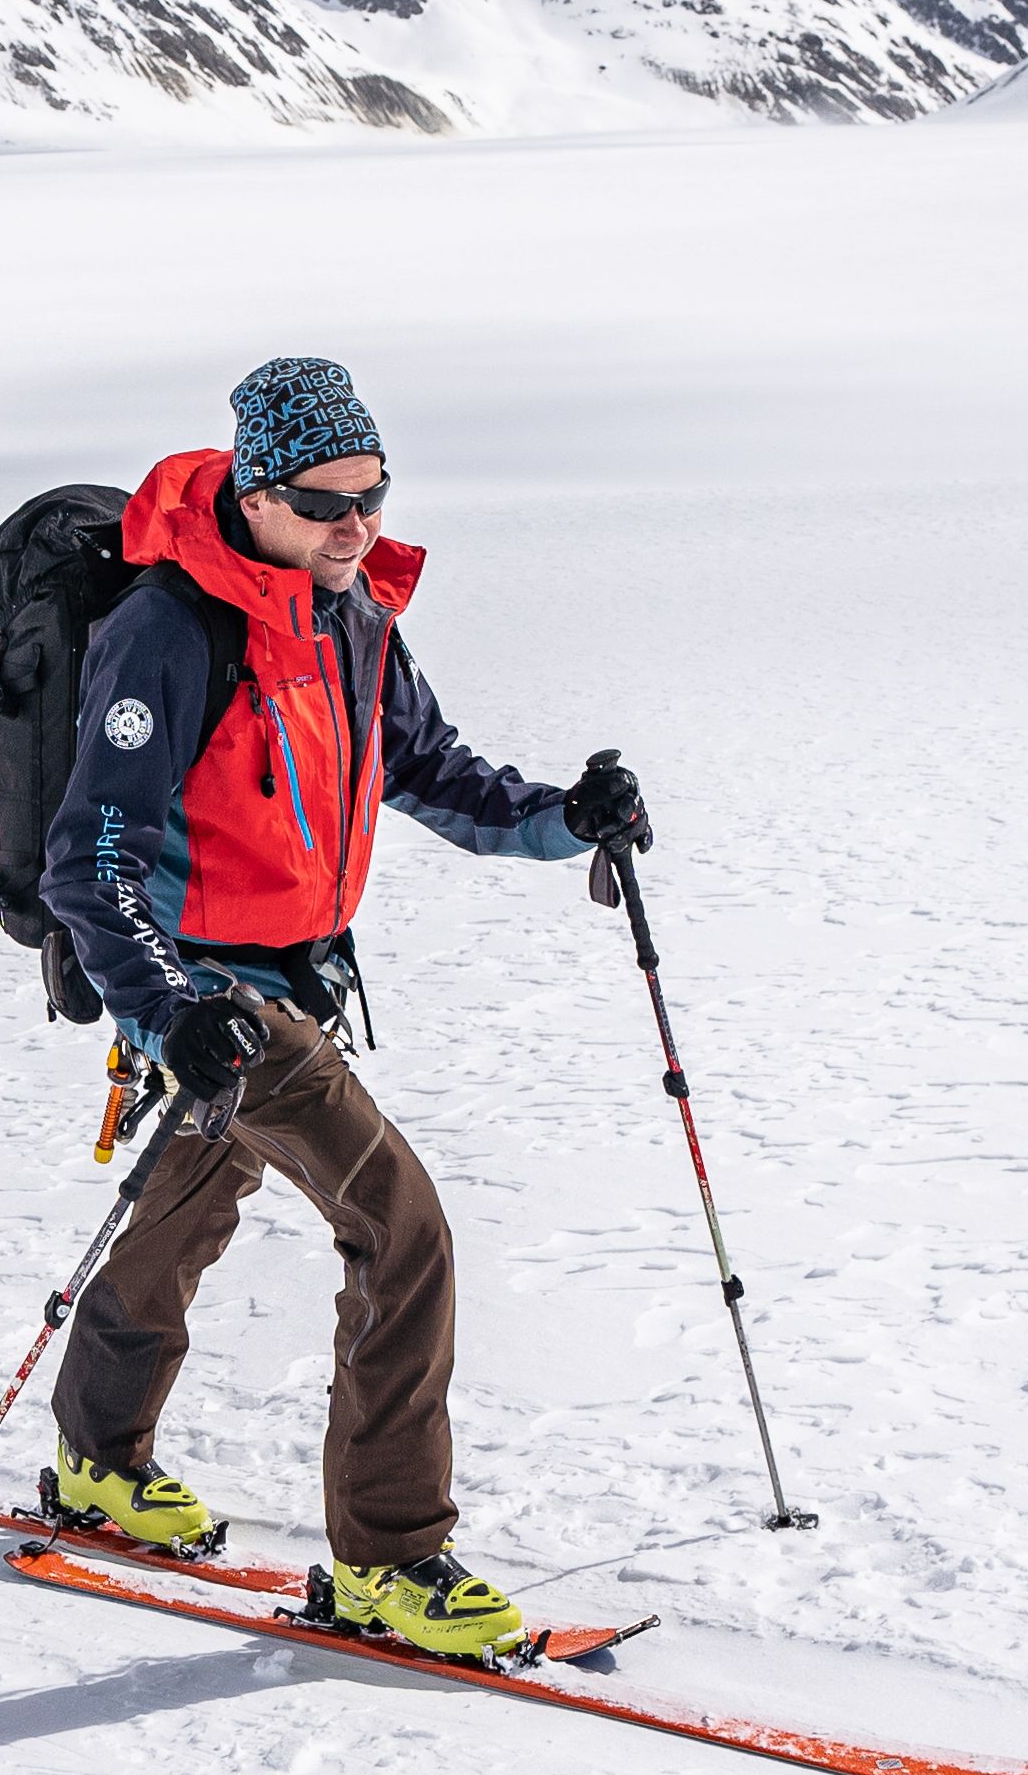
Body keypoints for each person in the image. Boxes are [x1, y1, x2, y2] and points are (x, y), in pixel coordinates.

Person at [36, 354, 643, 1660]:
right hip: (216, 999)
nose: (356, 525)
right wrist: (165, 1011)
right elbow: (88, 861)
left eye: (373, 493)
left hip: (293, 974)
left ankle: (96, 1464)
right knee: (401, 1226)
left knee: (179, 1215)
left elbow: (434, 773)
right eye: (326, 502)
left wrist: (564, 819)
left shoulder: (354, 610)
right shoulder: (168, 628)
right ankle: (390, 1556)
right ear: (255, 492)